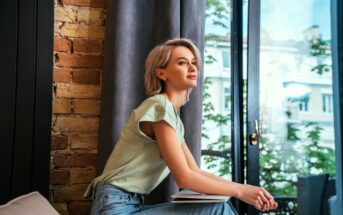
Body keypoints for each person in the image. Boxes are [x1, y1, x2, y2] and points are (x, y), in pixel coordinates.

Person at [84, 38, 278, 215]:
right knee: (217, 209)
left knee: (218, 206)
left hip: (130, 204)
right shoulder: (159, 107)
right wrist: (241, 191)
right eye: (182, 62)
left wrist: (245, 188)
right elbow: (184, 178)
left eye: (194, 62)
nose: (192, 68)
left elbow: (195, 171)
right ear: (161, 73)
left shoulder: (172, 118)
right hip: (115, 207)